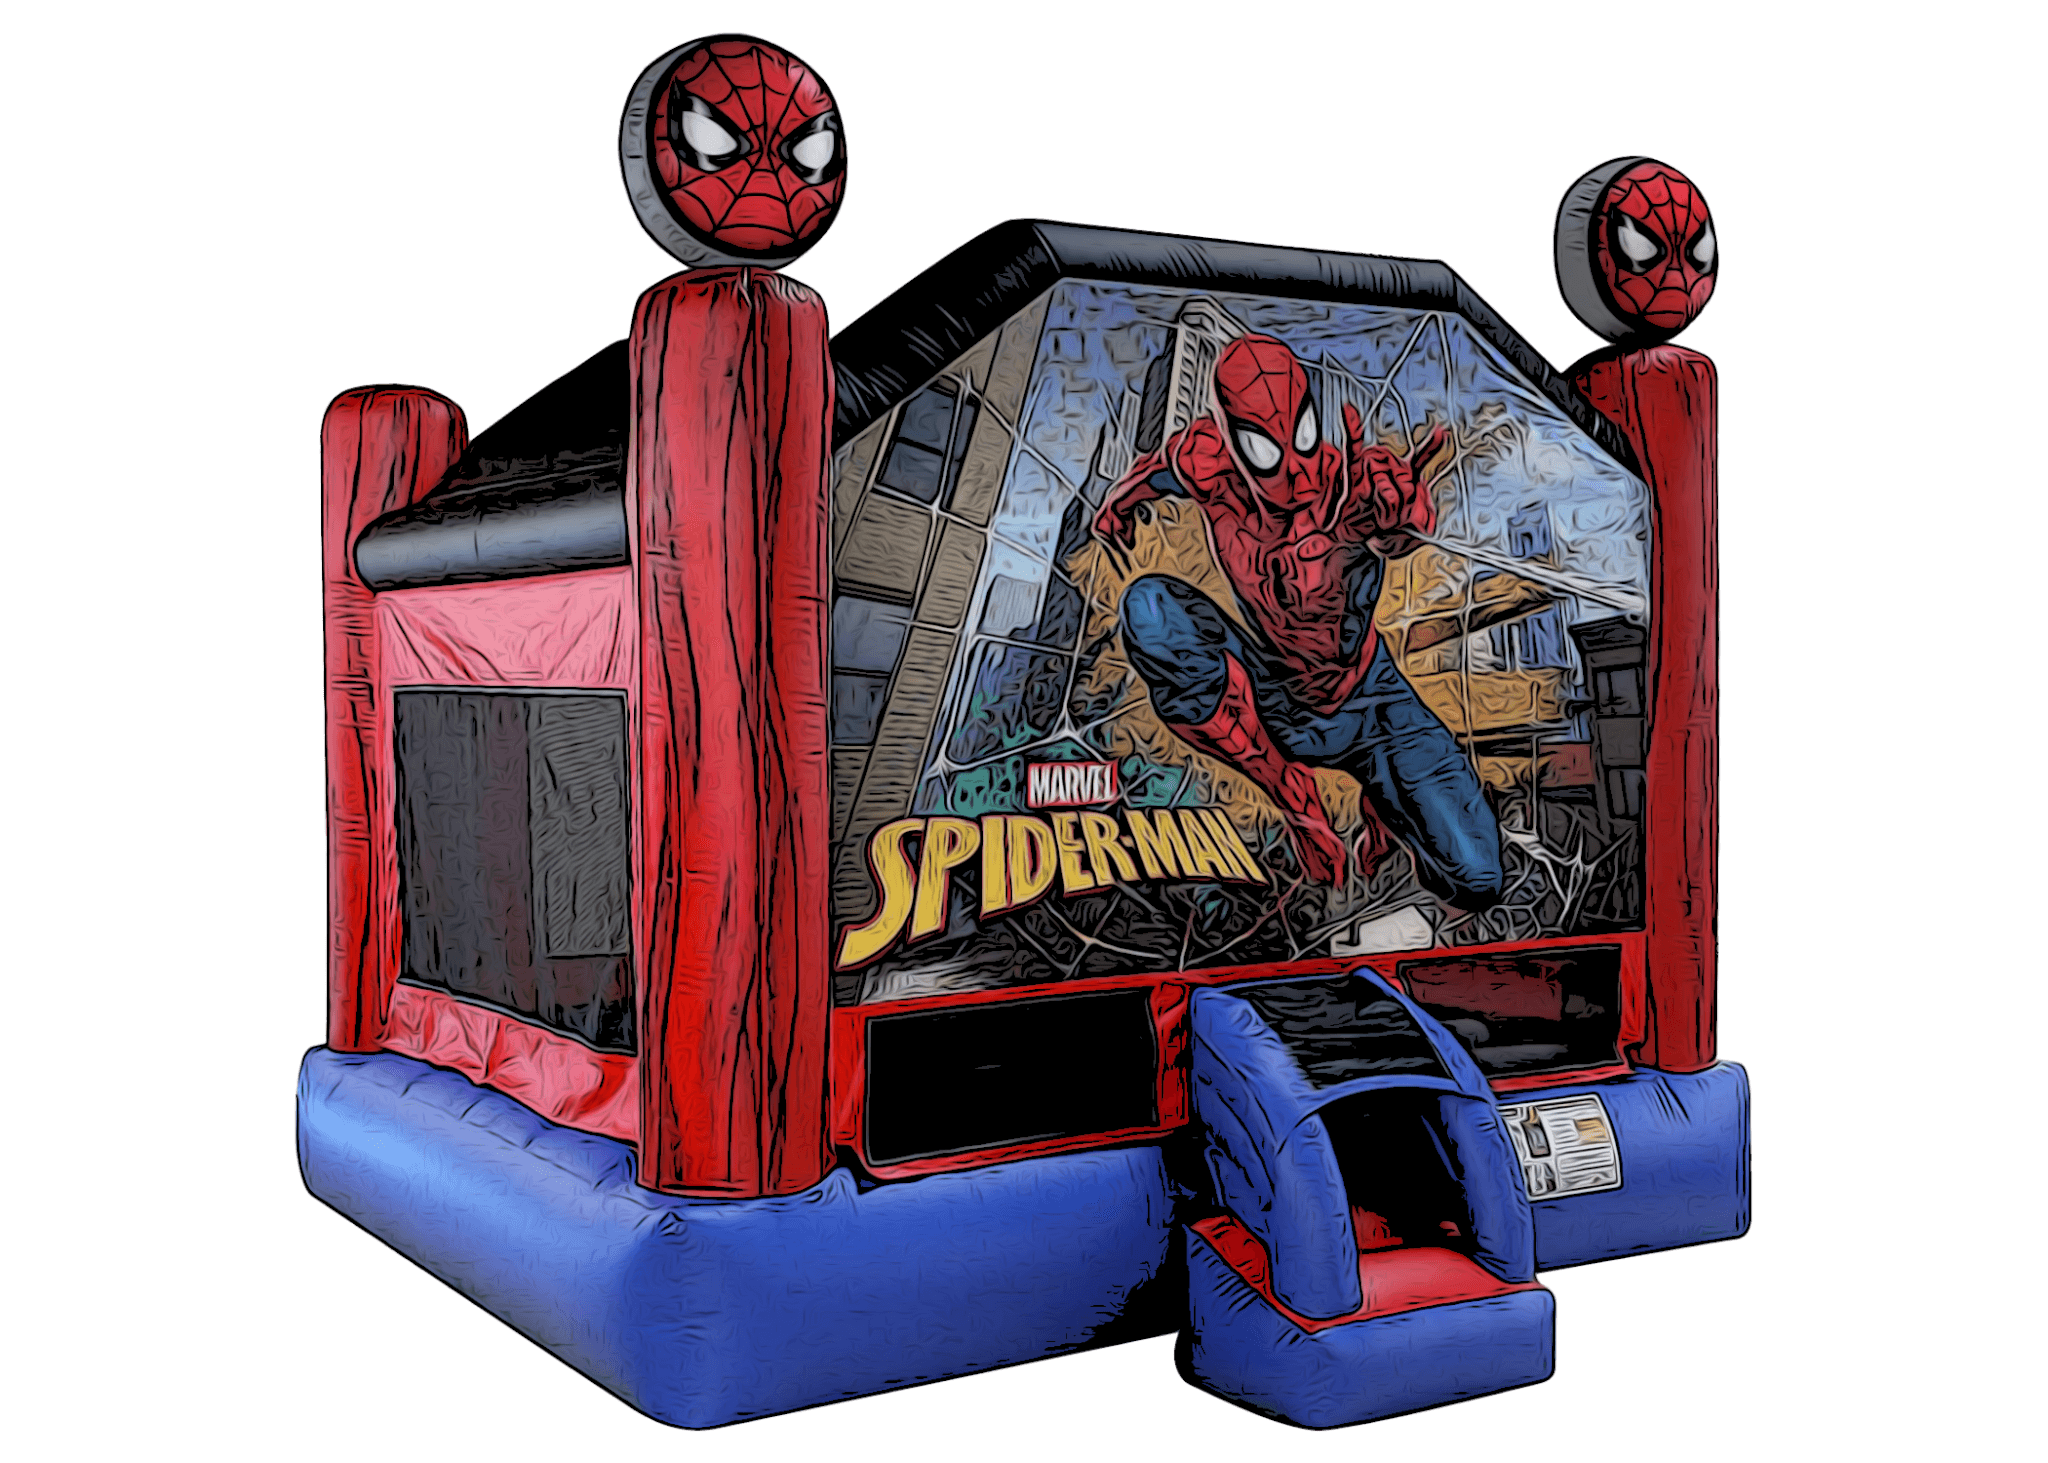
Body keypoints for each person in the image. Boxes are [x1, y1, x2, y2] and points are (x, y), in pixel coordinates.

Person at [1094, 332, 1501, 907]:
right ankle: (1288, 787)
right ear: (1234, 442)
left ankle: (1386, 805)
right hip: (1276, 696)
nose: (1298, 474)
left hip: (1374, 704)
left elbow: (1397, 522)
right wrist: (1118, 506)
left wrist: (1399, 516)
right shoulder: (1206, 464)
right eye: (1266, 451)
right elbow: (1157, 470)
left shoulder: (1353, 486)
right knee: (1149, 609)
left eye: (1303, 435)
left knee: (1477, 878)